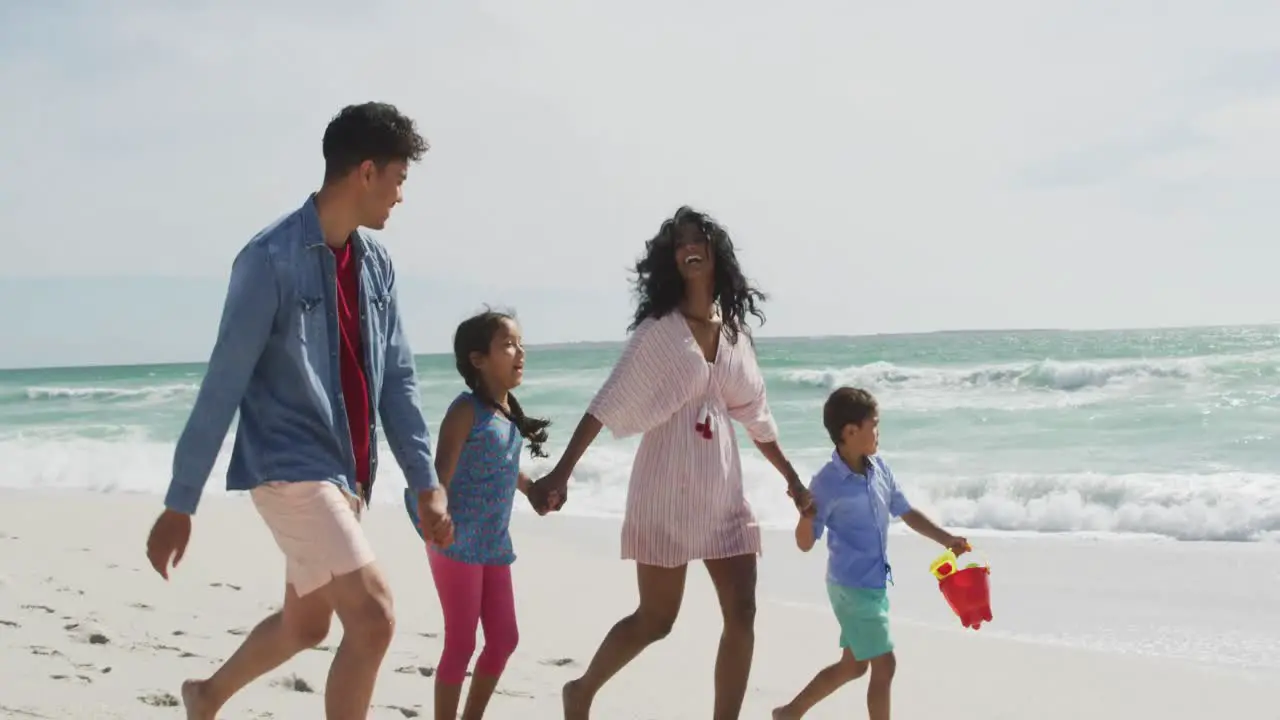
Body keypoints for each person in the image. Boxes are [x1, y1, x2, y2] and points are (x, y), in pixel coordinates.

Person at [143, 102, 454, 720]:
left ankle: (204, 697)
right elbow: (223, 383)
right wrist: (181, 501)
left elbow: (397, 380)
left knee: (307, 623)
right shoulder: (268, 259)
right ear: (366, 172)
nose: (399, 197)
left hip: (343, 474)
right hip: (288, 469)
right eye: (397, 180)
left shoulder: (376, 267)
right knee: (374, 618)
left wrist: (425, 483)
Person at [530, 206, 813, 720]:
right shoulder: (660, 332)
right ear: (671, 259)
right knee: (657, 620)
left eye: (696, 237)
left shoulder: (733, 335)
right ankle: (582, 689)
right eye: (678, 242)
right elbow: (608, 401)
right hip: (665, 490)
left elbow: (757, 416)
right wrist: (561, 473)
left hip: (722, 492)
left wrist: (792, 479)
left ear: (713, 251)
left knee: (743, 612)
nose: (688, 246)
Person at [772, 387, 969, 720]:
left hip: (871, 585)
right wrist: (805, 518)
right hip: (850, 588)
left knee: (853, 665)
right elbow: (805, 543)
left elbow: (906, 511)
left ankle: (790, 713)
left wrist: (946, 539)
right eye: (874, 425)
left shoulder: (880, 470)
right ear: (850, 432)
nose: (878, 432)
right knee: (885, 664)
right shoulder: (826, 483)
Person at [403, 310, 556, 720]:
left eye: (521, 344)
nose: (520, 352)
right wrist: (437, 522)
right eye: (508, 344)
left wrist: (531, 490)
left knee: (504, 638)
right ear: (478, 359)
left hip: (491, 542)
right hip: (453, 541)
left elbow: (500, 463)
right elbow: (439, 475)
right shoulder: (465, 410)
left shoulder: (507, 414)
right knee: (461, 643)